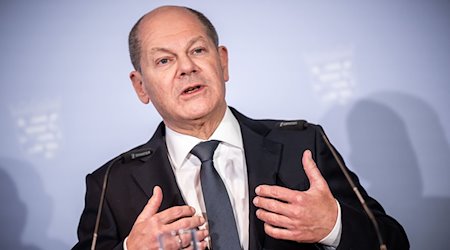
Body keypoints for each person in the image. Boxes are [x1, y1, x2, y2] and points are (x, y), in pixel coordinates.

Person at [73, 5, 409, 250]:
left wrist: (332, 225)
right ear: (141, 86)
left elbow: (391, 241)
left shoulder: (304, 145)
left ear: (222, 62)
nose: (187, 67)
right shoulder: (110, 183)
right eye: (164, 60)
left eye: (198, 50)